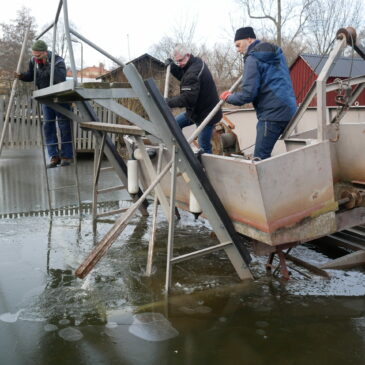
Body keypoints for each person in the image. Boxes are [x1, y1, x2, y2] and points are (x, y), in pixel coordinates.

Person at [220, 27, 297, 160]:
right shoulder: (276, 52)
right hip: (290, 110)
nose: (238, 50)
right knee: (292, 153)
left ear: (249, 39)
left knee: (259, 158)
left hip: (272, 115)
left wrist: (229, 97)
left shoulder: (253, 58)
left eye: (238, 45)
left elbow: (247, 95)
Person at [15, 40, 73, 168]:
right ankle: (54, 157)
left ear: (45, 52)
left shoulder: (58, 61)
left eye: (38, 56)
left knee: (64, 126)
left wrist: (47, 64)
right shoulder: (33, 62)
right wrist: (22, 76)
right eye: (34, 55)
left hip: (60, 97)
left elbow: (60, 78)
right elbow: (31, 76)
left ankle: (67, 156)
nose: (36, 58)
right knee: (48, 126)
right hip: (45, 98)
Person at [165, 44, 222, 154]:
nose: (179, 64)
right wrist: (172, 67)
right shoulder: (195, 62)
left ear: (188, 55)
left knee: (203, 145)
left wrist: (168, 102)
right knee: (175, 124)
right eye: (177, 61)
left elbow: (187, 99)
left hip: (206, 115)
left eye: (180, 60)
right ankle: (184, 151)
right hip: (195, 111)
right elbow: (184, 76)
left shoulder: (193, 72)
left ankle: (207, 170)